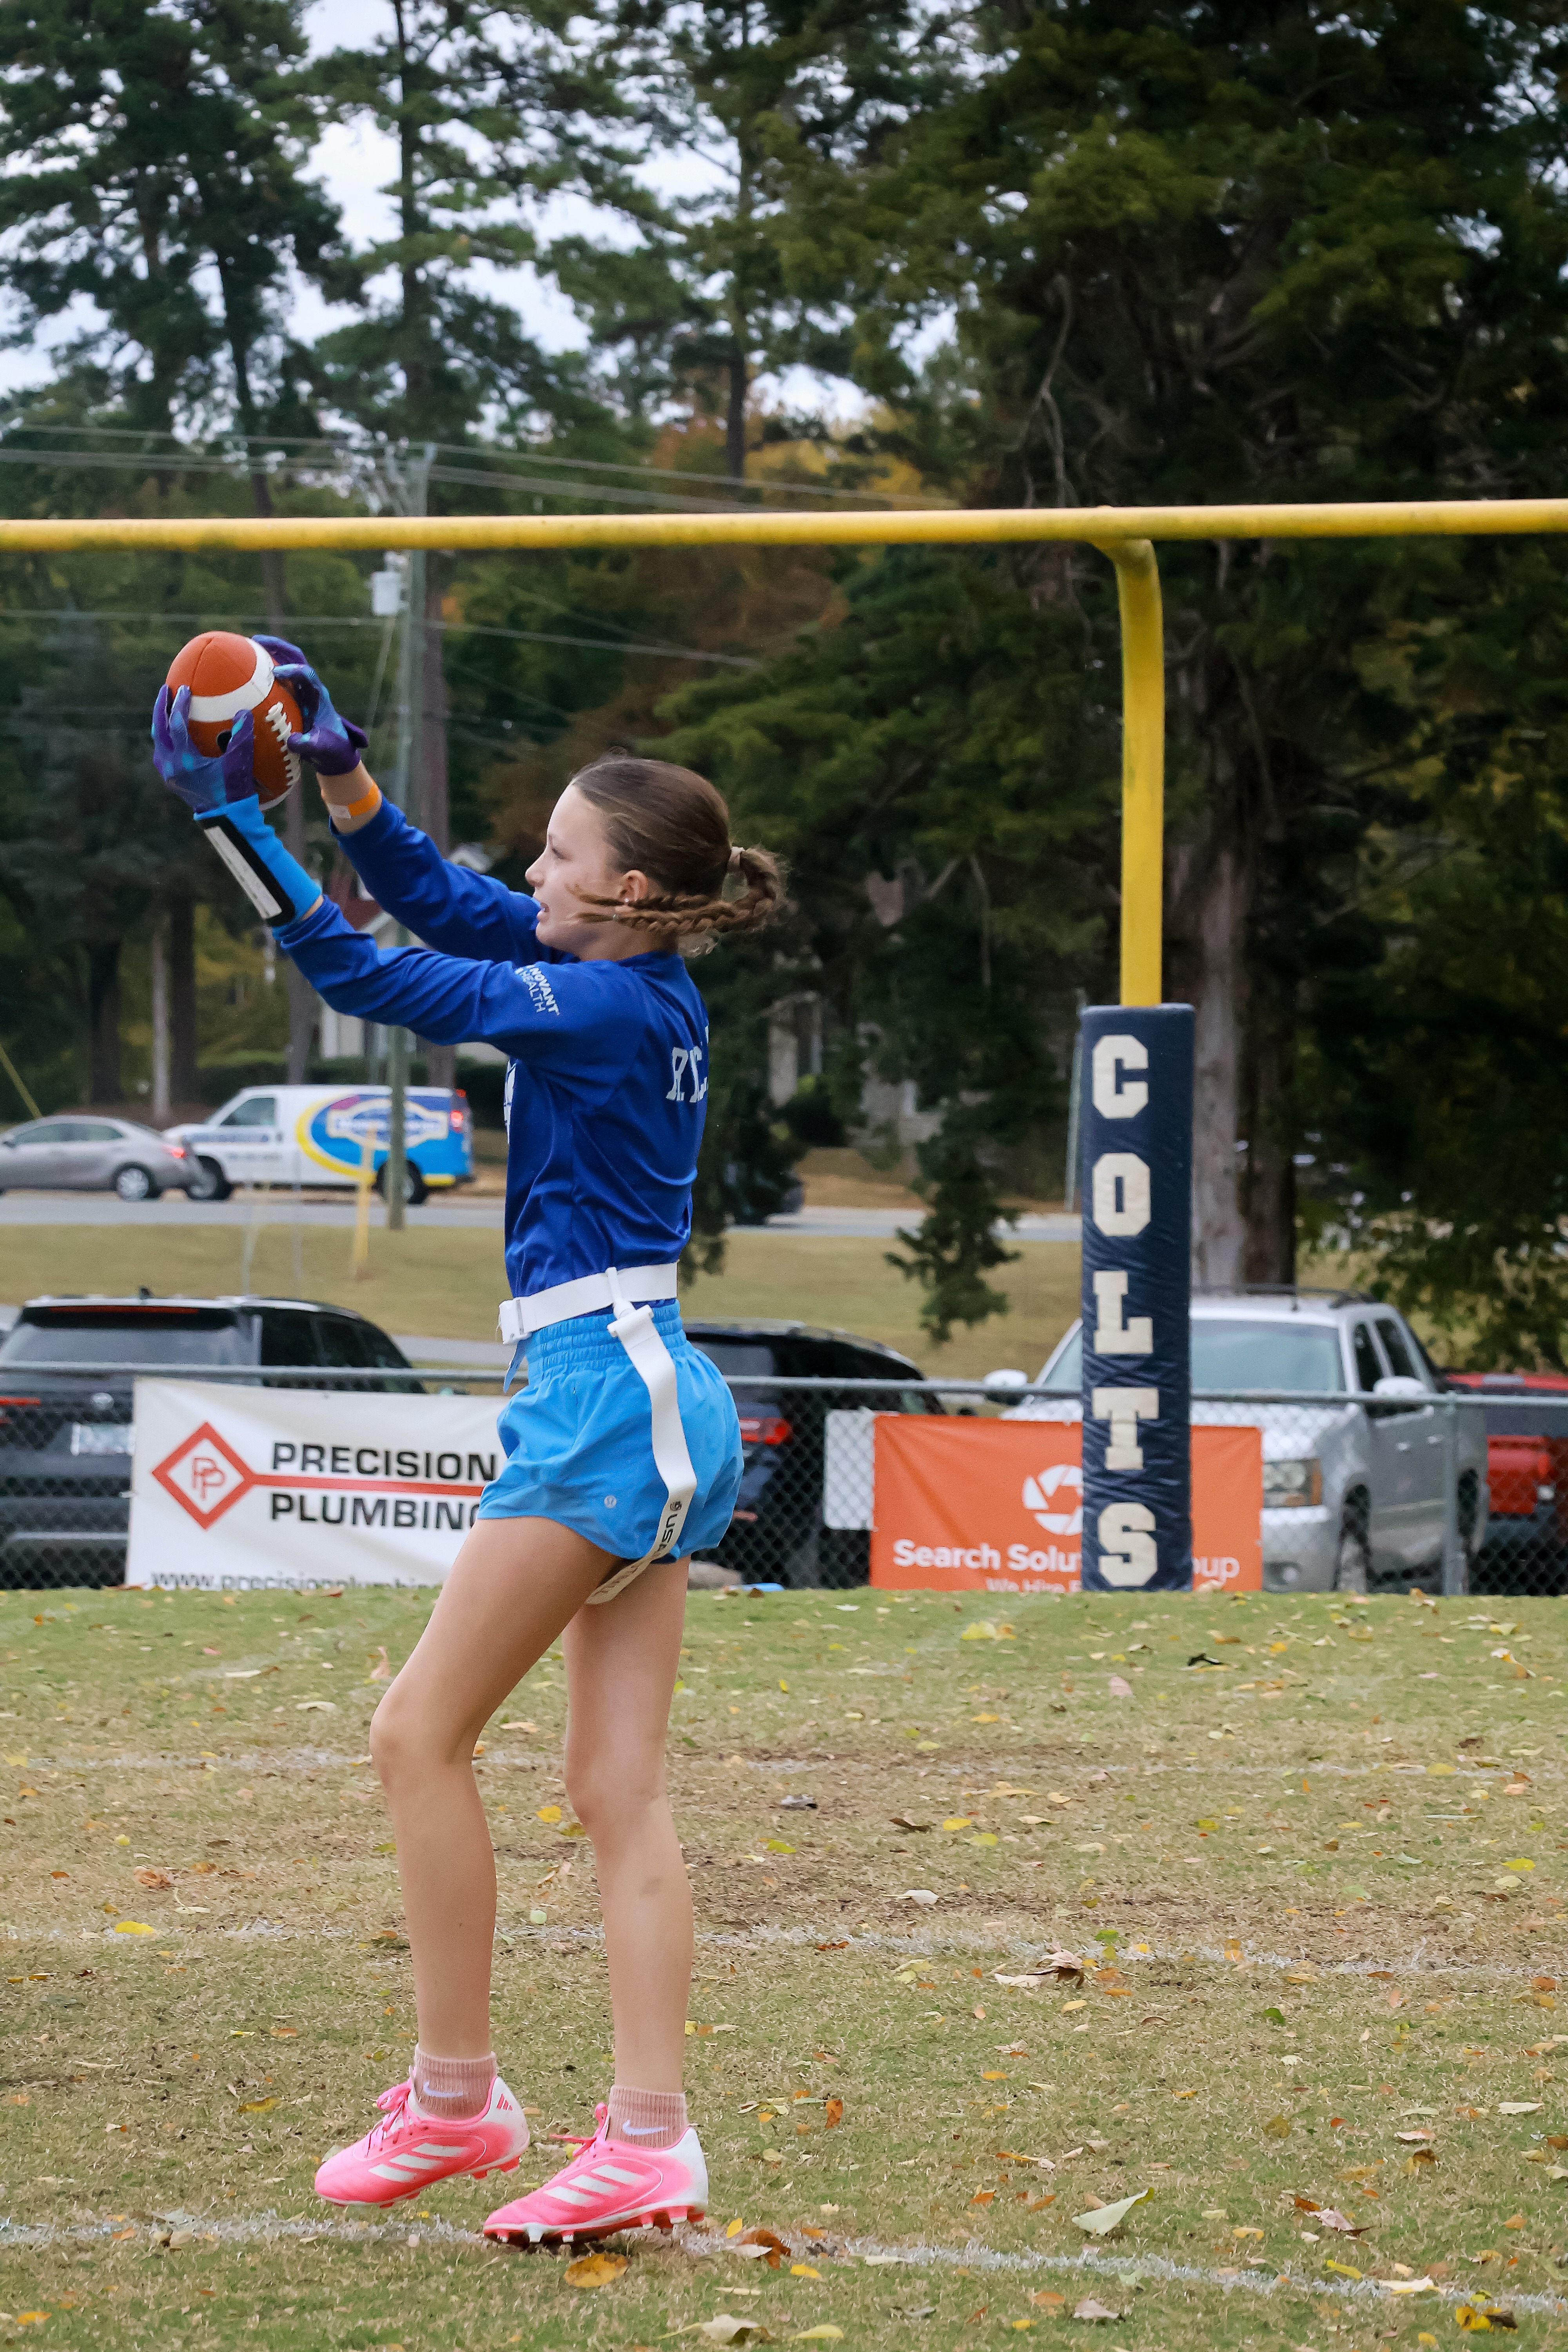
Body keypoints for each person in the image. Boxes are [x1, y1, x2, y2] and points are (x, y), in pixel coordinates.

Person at [151, 641, 786, 2245]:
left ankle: (459, 2098)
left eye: (559, 852)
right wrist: (342, 771)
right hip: (650, 1396)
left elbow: (375, 974)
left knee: (411, 1738)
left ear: (629, 888)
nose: (532, 870)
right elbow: (438, 900)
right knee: (612, 1791)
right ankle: (648, 2138)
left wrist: (233, 823)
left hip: (601, 1402)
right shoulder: (635, 969)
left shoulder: (597, 1000)